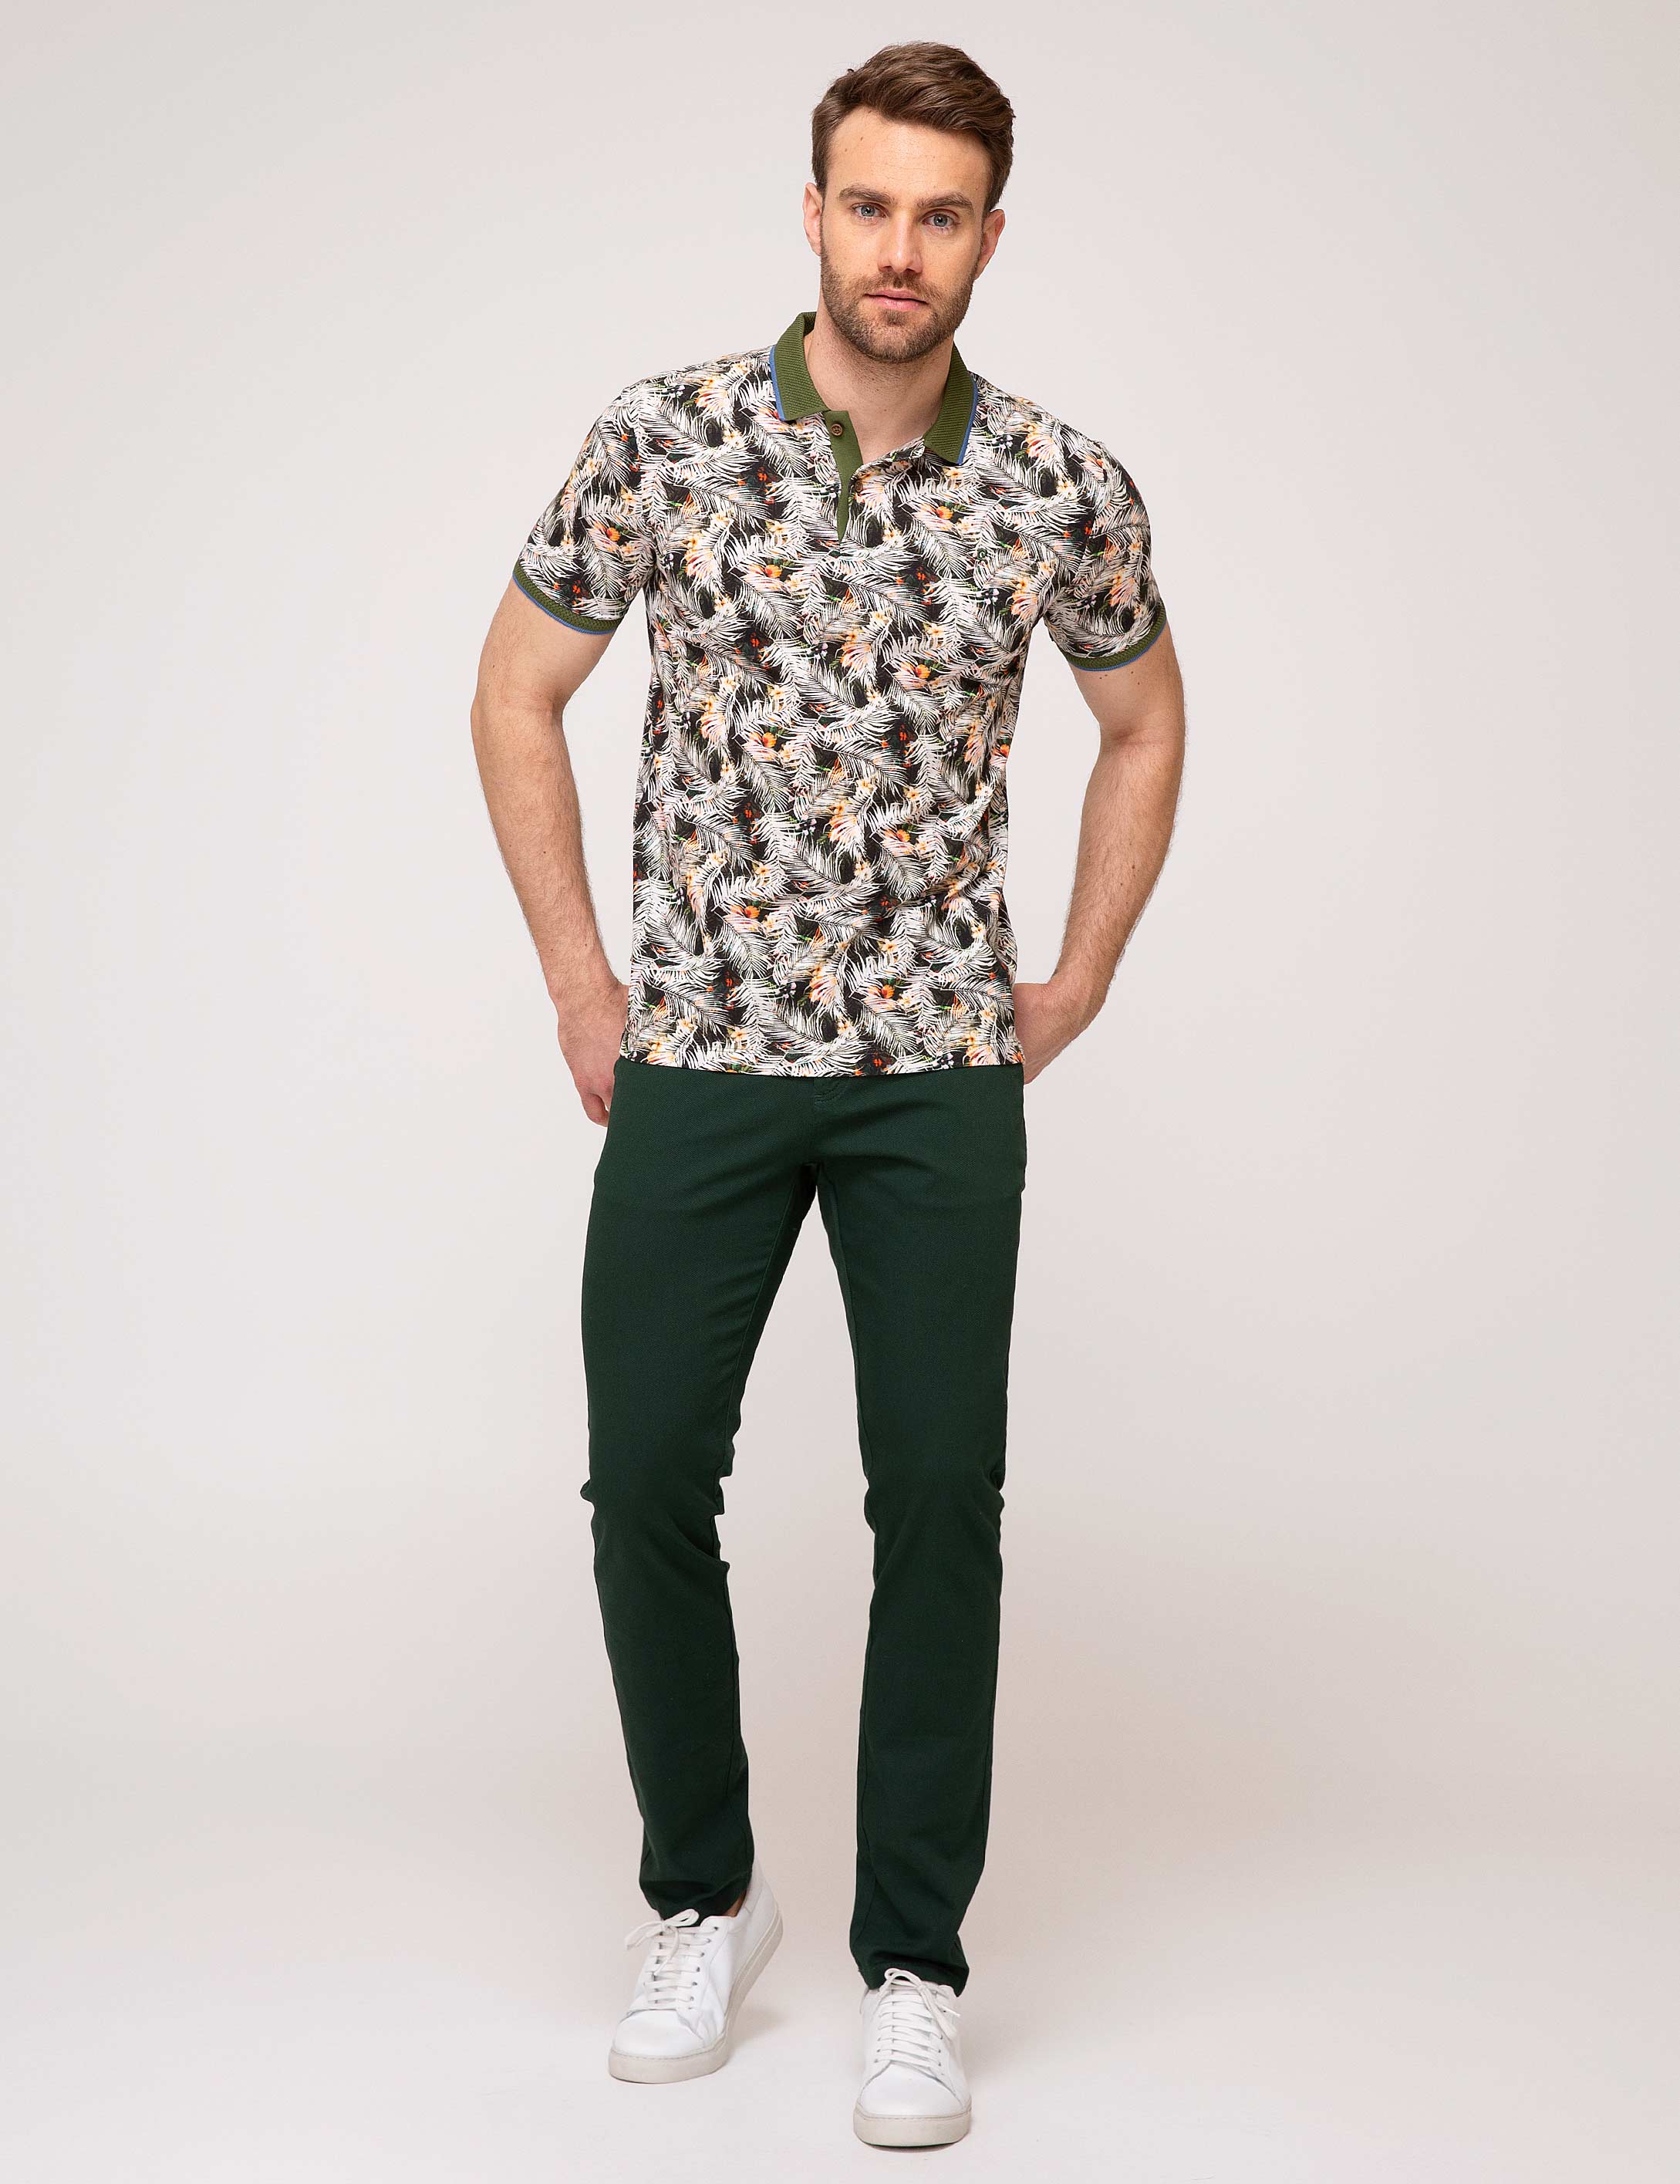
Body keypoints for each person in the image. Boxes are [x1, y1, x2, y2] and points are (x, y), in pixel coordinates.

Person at [469, 39, 1186, 2149]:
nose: (899, 248)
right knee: (643, 1479)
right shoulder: (667, 435)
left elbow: (1145, 723)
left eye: (940, 214)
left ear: (988, 237)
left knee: (938, 1504)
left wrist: (1075, 981)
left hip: (934, 1072)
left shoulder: (1057, 481)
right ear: (812, 212)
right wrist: (582, 985)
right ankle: (703, 1896)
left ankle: (915, 1965)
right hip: (697, 1050)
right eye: (868, 205)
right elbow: (516, 687)